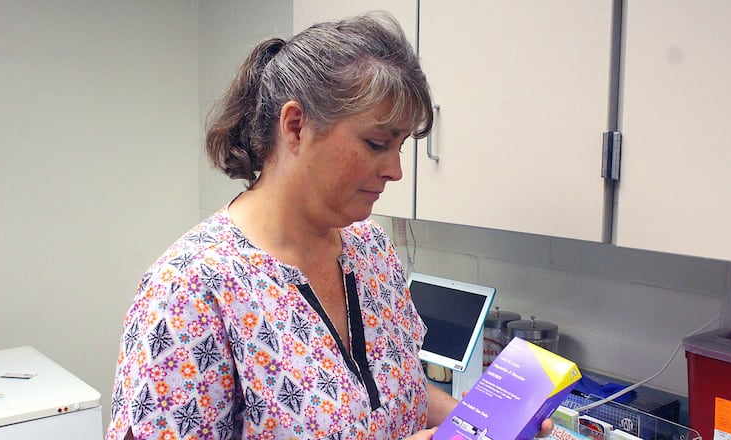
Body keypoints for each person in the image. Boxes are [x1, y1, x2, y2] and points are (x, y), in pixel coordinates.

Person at [106, 12, 552, 440]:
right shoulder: (192, 288)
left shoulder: (371, 251)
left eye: (400, 146)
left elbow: (397, 393)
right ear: (297, 126)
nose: (395, 170)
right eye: (377, 143)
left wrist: (481, 423)